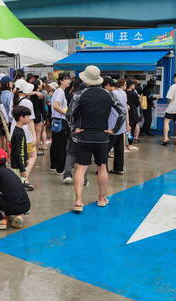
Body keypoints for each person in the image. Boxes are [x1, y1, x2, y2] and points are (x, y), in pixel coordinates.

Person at [67, 65, 124, 213]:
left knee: (80, 168)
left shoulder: (79, 95)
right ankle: (101, 198)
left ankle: (78, 202)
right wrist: (114, 130)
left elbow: (69, 114)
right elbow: (122, 112)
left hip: (84, 136)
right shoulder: (109, 94)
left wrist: (74, 129)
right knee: (102, 167)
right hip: (102, 137)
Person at [0, 148, 31, 230]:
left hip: (15, 206)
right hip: (25, 206)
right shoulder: (9, 171)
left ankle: (1, 221)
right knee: (10, 196)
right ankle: (17, 216)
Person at [12, 80, 38, 185]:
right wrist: (35, 137)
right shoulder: (27, 102)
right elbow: (31, 121)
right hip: (26, 134)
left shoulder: (14, 99)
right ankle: (25, 177)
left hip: (14, 129)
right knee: (31, 155)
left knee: (20, 155)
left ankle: (22, 177)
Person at [49, 73, 72, 178]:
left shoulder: (58, 91)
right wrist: (66, 113)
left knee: (56, 144)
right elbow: (56, 106)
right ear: (61, 81)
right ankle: (60, 168)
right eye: (66, 79)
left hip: (56, 120)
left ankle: (54, 166)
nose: (68, 81)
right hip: (60, 121)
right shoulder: (60, 92)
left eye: (69, 79)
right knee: (60, 145)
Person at [10, 106, 33, 190]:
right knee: (17, 184)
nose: (29, 118)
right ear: (21, 118)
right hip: (17, 165)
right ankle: (20, 186)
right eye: (27, 116)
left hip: (21, 162)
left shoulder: (21, 130)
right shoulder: (17, 133)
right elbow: (17, 152)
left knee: (21, 179)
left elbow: (24, 146)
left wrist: (26, 158)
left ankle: (22, 184)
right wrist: (22, 169)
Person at [108, 78, 128, 175]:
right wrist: (127, 124)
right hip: (121, 125)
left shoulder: (111, 94)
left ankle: (102, 169)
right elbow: (125, 110)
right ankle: (119, 168)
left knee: (105, 148)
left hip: (111, 125)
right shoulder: (122, 94)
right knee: (119, 149)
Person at [30, 80, 47, 156]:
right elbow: (43, 108)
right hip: (38, 115)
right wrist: (45, 118)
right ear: (38, 86)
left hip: (31, 115)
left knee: (31, 134)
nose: (42, 85)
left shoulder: (30, 94)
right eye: (40, 84)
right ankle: (36, 151)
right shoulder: (41, 95)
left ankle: (31, 150)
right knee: (37, 134)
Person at [126, 79, 141, 144]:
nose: (134, 86)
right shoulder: (134, 94)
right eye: (133, 84)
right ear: (130, 85)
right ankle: (129, 143)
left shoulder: (124, 93)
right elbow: (137, 104)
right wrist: (139, 99)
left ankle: (126, 143)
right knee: (131, 130)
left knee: (126, 129)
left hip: (126, 113)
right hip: (133, 113)